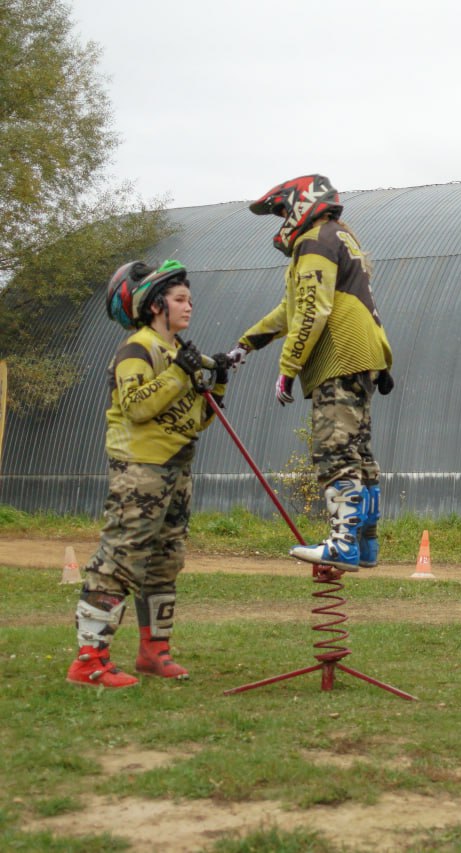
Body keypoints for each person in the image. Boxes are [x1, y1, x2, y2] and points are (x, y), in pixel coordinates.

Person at [68, 260, 228, 688]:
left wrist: (217, 382)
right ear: (157, 306)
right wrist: (179, 373)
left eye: (190, 299)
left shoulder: (178, 353)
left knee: (164, 561)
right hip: (140, 469)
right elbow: (138, 406)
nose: (189, 306)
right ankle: (89, 661)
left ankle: (154, 652)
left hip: (177, 468)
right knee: (120, 558)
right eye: (180, 299)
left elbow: (194, 421)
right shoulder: (137, 348)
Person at [227, 175, 394, 571]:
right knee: (358, 452)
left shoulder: (314, 242)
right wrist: (247, 343)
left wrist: (288, 368)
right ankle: (365, 544)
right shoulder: (338, 237)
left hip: (339, 356)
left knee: (334, 449)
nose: (282, 220)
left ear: (301, 205)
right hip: (363, 355)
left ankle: (342, 545)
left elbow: (311, 310)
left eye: (283, 211)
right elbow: (292, 308)